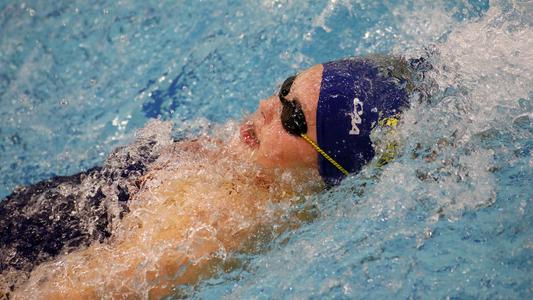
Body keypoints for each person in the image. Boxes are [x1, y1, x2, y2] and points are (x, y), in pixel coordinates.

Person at [1, 55, 418, 298]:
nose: (266, 106)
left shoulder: (217, 221)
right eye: (285, 88)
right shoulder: (250, 166)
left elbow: (87, 289)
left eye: (292, 117)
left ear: (328, 164)